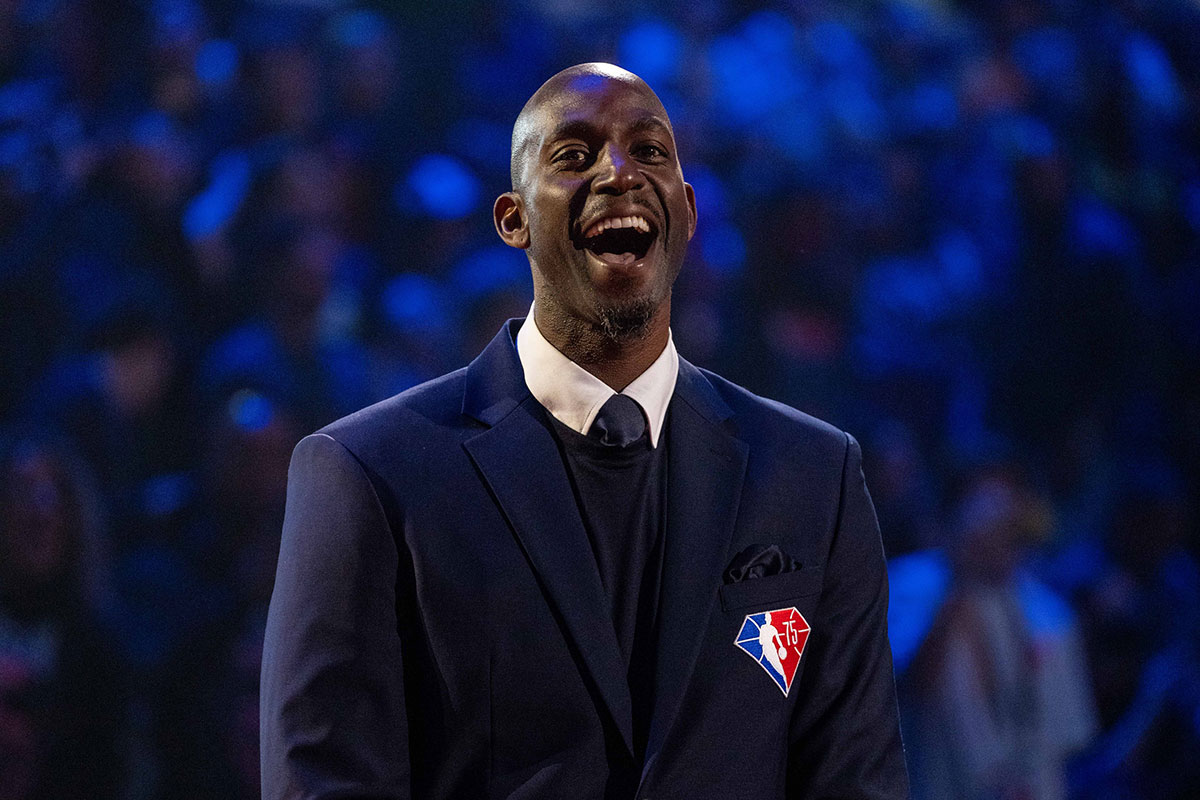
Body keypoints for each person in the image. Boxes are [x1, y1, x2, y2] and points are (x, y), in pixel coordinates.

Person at [261, 62, 908, 799]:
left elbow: (856, 780)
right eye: (573, 156)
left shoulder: (814, 475)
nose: (619, 174)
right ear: (514, 220)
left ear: (688, 211)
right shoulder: (368, 474)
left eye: (651, 152)